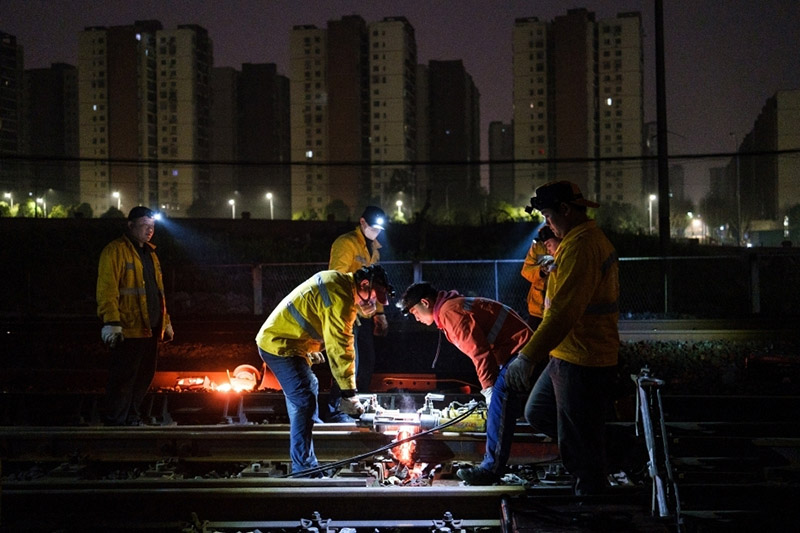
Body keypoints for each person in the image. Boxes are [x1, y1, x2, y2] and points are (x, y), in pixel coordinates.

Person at [506, 180, 620, 496]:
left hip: (584, 358)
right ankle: (598, 459)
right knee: (540, 413)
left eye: (548, 216)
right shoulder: (575, 241)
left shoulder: (582, 246)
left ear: (565, 210)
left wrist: (527, 357)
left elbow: (564, 313)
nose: (547, 224)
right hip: (568, 353)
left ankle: (592, 497)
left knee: (578, 437)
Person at [255, 265, 394, 476]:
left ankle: (310, 440)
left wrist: (309, 347)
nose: (374, 303)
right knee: (304, 398)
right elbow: (341, 349)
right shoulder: (342, 299)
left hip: (287, 340)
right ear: (364, 285)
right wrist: (349, 394)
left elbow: (316, 318)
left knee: (309, 387)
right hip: (279, 344)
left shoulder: (340, 284)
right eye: (375, 297)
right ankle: (305, 469)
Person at [398, 281, 533, 486]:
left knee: (499, 397)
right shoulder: (452, 306)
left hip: (520, 351)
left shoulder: (449, 312)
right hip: (518, 348)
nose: (416, 318)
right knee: (506, 400)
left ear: (425, 302)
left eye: (415, 312)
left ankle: (491, 469)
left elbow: (480, 353)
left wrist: (488, 389)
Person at [96, 206, 174, 426]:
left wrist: (165, 322)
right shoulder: (115, 251)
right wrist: (111, 322)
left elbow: (158, 292)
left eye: (152, 226)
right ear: (130, 226)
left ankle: (130, 417)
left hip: (149, 327)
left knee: (143, 376)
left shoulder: (151, 254)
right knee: (124, 377)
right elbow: (107, 289)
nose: (150, 230)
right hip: (129, 328)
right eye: (144, 225)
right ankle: (115, 420)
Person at [326, 205, 388, 422]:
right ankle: (337, 409)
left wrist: (379, 313)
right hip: (345, 314)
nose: (376, 232)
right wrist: (358, 303)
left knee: (366, 363)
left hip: (362, 316)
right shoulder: (346, 243)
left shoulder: (374, 250)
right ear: (362, 223)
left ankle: (354, 408)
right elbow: (337, 279)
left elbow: (375, 284)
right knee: (348, 362)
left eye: (379, 229)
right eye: (373, 228)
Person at [520, 225, 561, 329]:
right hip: (537, 308)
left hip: (556, 306)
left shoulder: (568, 248)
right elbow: (526, 271)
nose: (547, 247)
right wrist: (541, 271)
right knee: (532, 337)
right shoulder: (537, 247)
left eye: (549, 244)